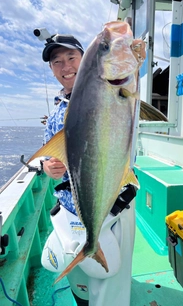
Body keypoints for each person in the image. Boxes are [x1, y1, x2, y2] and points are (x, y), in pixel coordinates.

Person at [40, 33, 137, 306]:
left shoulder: (114, 90)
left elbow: (128, 97)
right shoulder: (57, 110)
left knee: (113, 286)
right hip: (72, 208)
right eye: (57, 62)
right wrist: (49, 166)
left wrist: (132, 55)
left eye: (71, 57)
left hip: (114, 205)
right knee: (82, 285)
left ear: (85, 60)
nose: (65, 66)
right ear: (51, 69)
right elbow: (47, 153)